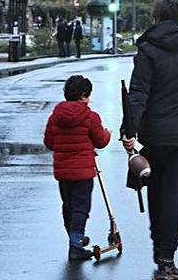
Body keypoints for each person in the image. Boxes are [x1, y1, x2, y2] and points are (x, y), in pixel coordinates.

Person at [120, 0, 178, 280]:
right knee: (173, 195)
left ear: (156, 19)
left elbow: (139, 93)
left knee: (157, 193)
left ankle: (161, 250)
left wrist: (129, 129)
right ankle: (167, 257)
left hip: (156, 136)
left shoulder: (148, 50)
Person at [43, 75, 112, 261]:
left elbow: (49, 142)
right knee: (81, 207)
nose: (89, 100)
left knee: (68, 206)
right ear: (83, 95)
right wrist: (108, 133)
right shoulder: (90, 117)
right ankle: (75, 245)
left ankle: (75, 239)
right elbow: (101, 141)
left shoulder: (55, 116)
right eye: (88, 95)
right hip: (83, 171)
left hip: (63, 171)